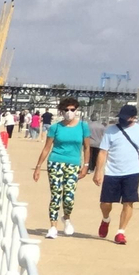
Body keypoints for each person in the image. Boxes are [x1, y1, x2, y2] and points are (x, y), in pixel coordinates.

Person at [90, 103, 139, 244]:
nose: (122, 120)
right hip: (112, 172)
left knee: (128, 202)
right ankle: (106, 219)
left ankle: (120, 232)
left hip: (132, 172)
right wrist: (98, 171)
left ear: (133, 117)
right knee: (105, 203)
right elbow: (103, 152)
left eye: (125, 117)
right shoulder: (111, 130)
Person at [32, 97, 90, 238]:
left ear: (76, 110)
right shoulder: (55, 127)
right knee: (56, 194)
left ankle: (67, 218)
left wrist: (86, 166)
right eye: (66, 110)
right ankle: (53, 226)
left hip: (73, 163)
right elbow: (47, 148)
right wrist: (38, 167)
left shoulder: (83, 127)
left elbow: (87, 148)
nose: (69, 112)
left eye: (72, 109)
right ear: (61, 111)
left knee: (69, 197)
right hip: (55, 162)